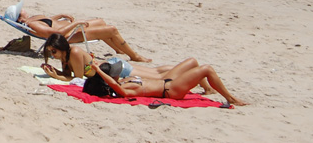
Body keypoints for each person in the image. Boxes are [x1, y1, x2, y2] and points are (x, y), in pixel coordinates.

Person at [42, 34, 214, 93]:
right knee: (157, 72)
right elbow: (73, 75)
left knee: (162, 76)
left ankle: (196, 71)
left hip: (119, 70)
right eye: (51, 52)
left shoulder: (76, 53)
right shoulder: (66, 58)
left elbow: (77, 79)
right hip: (115, 66)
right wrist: (56, 72)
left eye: (54, 51)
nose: (53, 54)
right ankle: (197, 74)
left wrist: (56, 76)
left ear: (62, 47)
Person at [2, 1, 150, 62]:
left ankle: (118, 49)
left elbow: (49, 22)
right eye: (22, 10)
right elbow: (55, 34)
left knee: (101, 22)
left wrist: (59, 16)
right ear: (20, 16)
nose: (25, 9)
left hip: (70, 29)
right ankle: (135, 56)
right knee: (111, 30)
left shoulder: (32, 20)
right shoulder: (33, 25)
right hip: (69, 36)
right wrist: (76, 24)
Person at [87, 58, 246, 106]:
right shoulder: (125, 90)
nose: (117, 75)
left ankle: (209, 90)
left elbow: (111, 82)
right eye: (113, 75)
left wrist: (97, 68)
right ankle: (230, 98)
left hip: (168, 82)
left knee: (192, 61)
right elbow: (112, 84)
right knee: (207, 69)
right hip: (172, 89)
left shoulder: (123, 82)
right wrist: (100, 72)